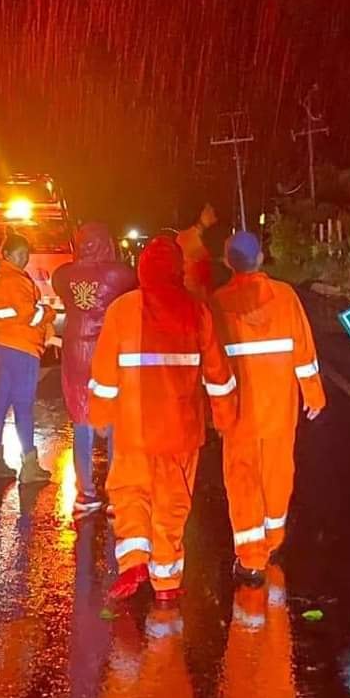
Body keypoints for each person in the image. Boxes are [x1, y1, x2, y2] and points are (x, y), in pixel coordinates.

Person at [88, 233, 237, 606]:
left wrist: (100, 415)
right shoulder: (196, 311)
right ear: (178, 270)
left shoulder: (122, 310)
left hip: (134, 428)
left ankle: (134, 562)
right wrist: (225, 417)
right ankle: (166, 583)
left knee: (130, 492)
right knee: (172, 504)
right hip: (180, 430)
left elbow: (104, 374)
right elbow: (218, 375)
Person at [210, 230, 325, 586]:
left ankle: (251, 560)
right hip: (279, 408)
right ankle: (272, 541)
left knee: (243, 479)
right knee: (278, 474)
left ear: (228, 262)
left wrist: (211, 409)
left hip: (239, 410)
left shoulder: (218, 303)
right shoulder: (285, 296)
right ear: (260, 258)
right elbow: (304, 350)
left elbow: (211, 363)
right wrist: (313, 394)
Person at [52, 222, 136, 517]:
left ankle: (85, 494)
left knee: (81, 419)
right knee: (113, 421)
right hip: (106, 350)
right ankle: (116, 494)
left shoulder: (62, 275)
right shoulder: (119, 275)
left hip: (75, 350)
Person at [0, 231, 52, 485]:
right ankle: (29, 466)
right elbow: (29, 315)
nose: (24, 259)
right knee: (23, 406)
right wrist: (48, 313)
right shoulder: (17, 280)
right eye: (20, 254)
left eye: (26, 254)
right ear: (7, 254)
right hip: (22, 348)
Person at [175, 200, 217, 303]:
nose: (212, 211)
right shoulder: (187, 238)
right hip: (193, 300)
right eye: (208, 209)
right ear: (200, 214)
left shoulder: (204, 236)